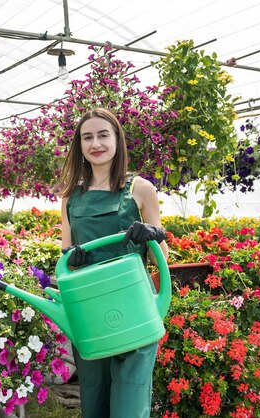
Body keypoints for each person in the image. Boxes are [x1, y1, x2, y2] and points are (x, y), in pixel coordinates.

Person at [57, 108, 169, 418]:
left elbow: (164, 256)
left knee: (130, 402)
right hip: (90, 306)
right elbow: (66, 250)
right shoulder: (71, 196)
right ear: (79, 145)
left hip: (134, 306)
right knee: (94, 396)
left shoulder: (140, 189)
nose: (96, 144)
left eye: (103, 135)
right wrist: (72, 257)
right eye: (87, 137)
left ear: (117, 139)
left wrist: (151, 236)